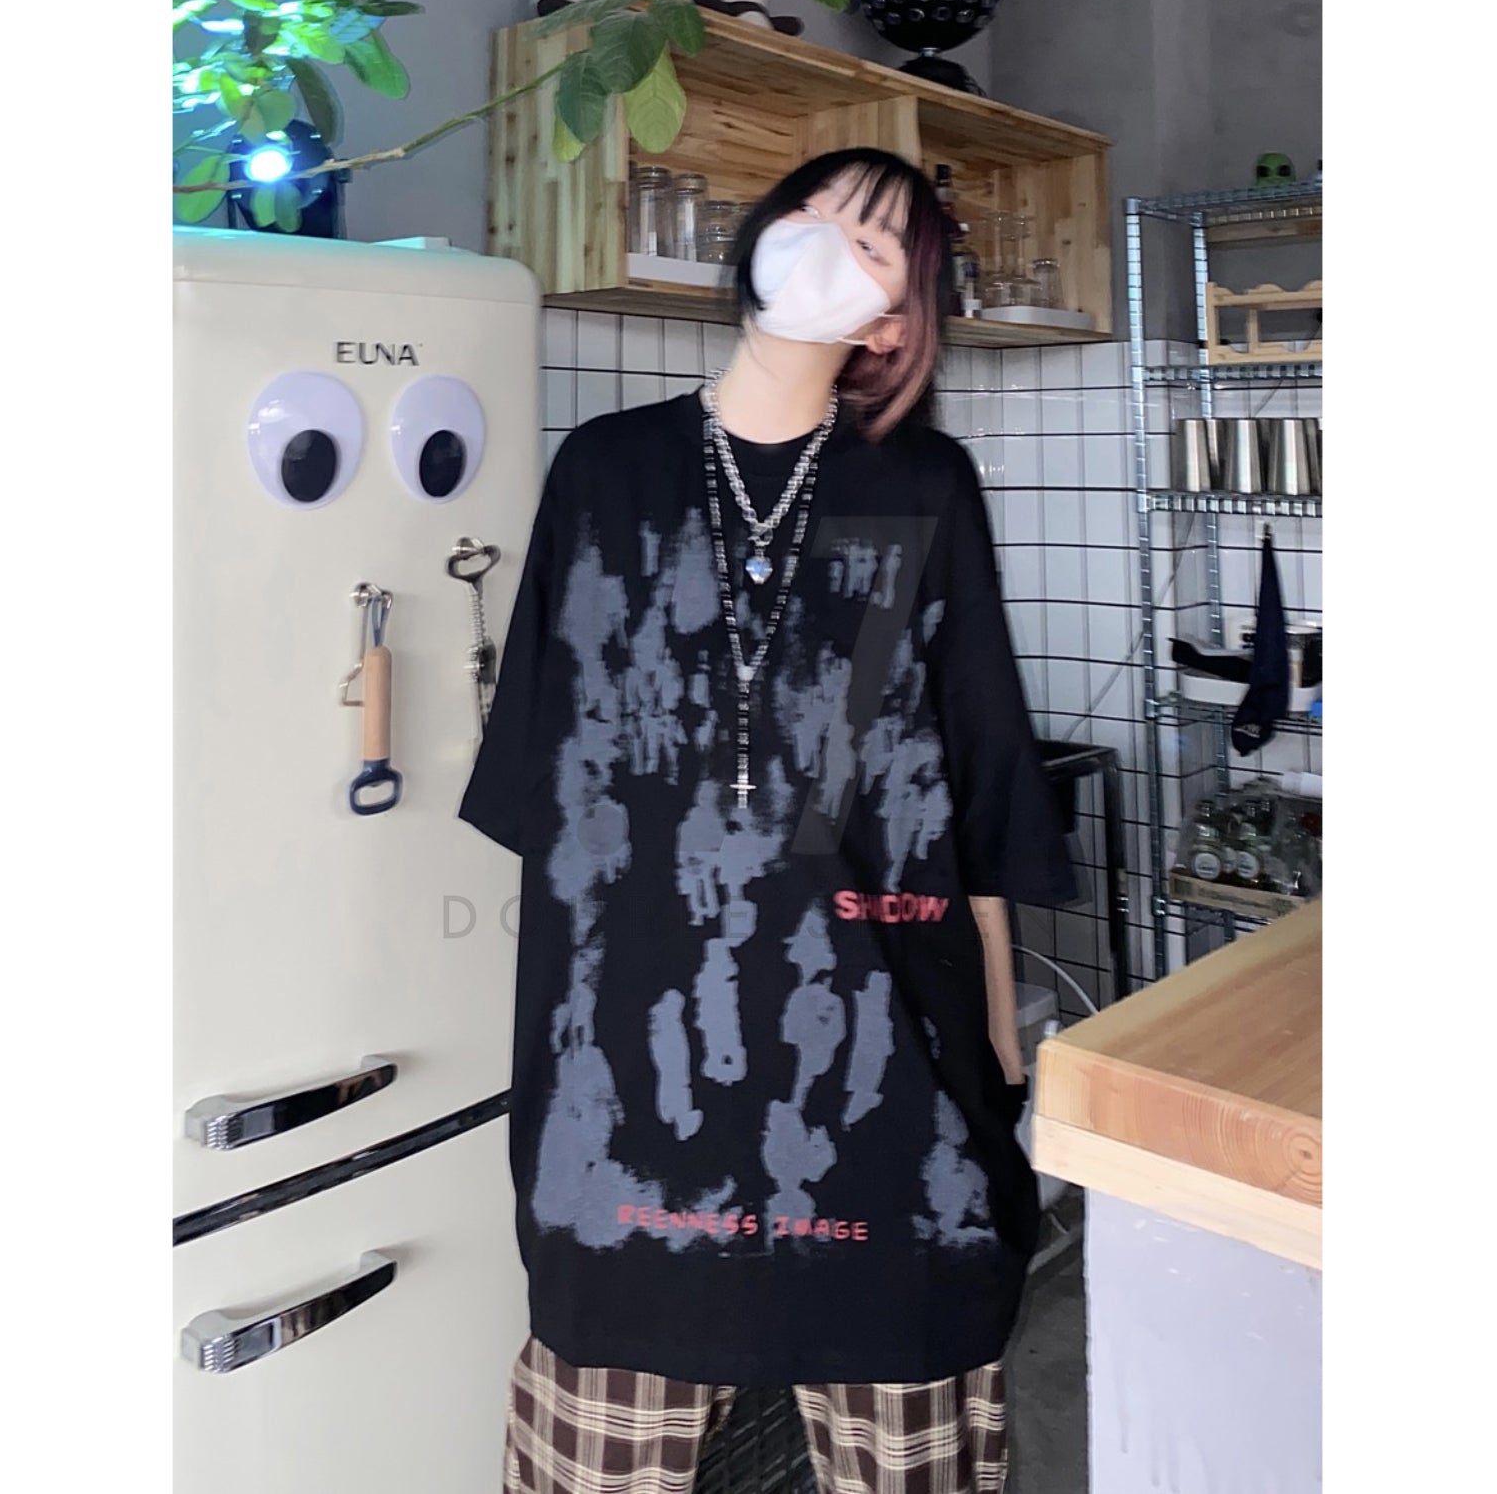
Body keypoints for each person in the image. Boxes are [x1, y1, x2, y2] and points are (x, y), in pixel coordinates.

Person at [458, 146, 1075, 1494]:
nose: (824, 241)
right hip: (630, 1072)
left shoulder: (919, 485)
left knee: (915, 1428)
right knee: (594, 1441)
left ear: (895, 322)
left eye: (872, 243)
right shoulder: (605, 471)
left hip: (880, 1057)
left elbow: (969, 771)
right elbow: (551, 789)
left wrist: (992, 1029)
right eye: (812, 211)